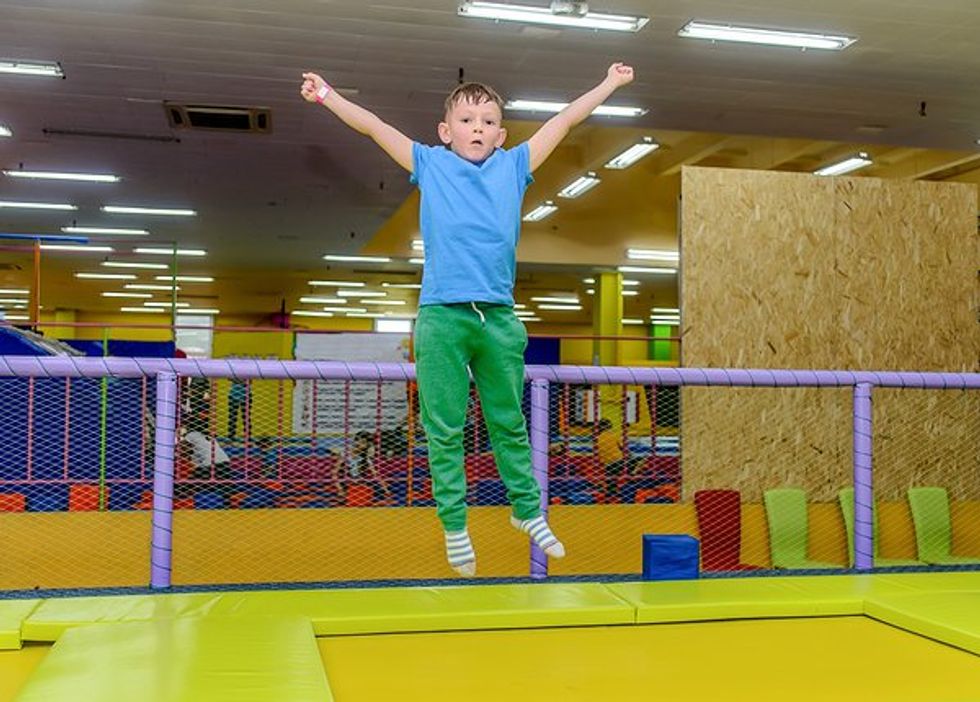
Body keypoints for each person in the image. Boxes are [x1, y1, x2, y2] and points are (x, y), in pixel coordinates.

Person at [301, 62, 635, 576]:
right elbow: (374, 126)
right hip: (441, 318)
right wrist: (327, 95)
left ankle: (527, 511)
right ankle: (454, 525)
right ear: (445, 131)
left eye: (487, 122)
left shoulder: (515, 165)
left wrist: (609, 85)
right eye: (466, 120)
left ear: (501, 135)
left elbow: (564, 121)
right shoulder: (430, 164)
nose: (476, 129)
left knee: (509, 423)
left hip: (498, 318)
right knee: (444, 427)